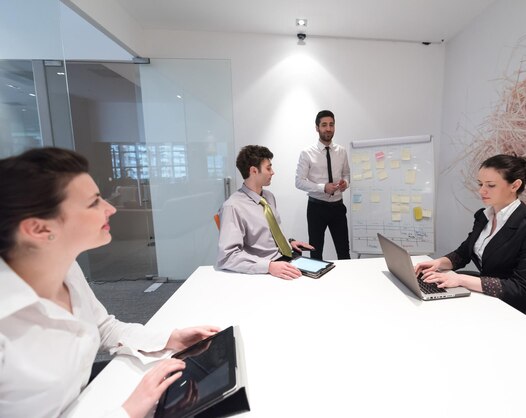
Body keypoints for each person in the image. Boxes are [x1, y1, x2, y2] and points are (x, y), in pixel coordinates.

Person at [0, 147, 220, 418]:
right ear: (39, 229)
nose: (111, 208)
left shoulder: (65, 266)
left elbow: (103, 328)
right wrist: (128, 411)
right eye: (94, 203)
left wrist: (170, 338)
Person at [415, 154, 526, 321]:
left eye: (490, 185)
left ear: (515, 185)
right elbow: (464, 253)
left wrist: (460, 279)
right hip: (489, 301)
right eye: (480, 184)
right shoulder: (484, 216)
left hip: (520, 313)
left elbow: (522, 289)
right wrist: (438, 263)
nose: (482, 191)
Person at [216, 145, 313, 280]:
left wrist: (288, 243)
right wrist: (269, 266)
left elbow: (268, 234)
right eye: (268, 168)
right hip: (267, 269)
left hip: (287, 258)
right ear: (254, 171)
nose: (272, 172)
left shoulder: (268, 197)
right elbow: (227, 257)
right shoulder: (233, 207)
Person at [295, 110, 351, 260]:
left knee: (344, 251)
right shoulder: (306, 153)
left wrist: (345, 183)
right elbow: (299, 181)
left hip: (338, 207)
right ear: (317, 127)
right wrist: (322, 188)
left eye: (331, 125)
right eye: (324, 125)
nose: (328, 128)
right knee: (316, 252)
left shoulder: (342, 151)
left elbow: (346, 174)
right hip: (316, 209)